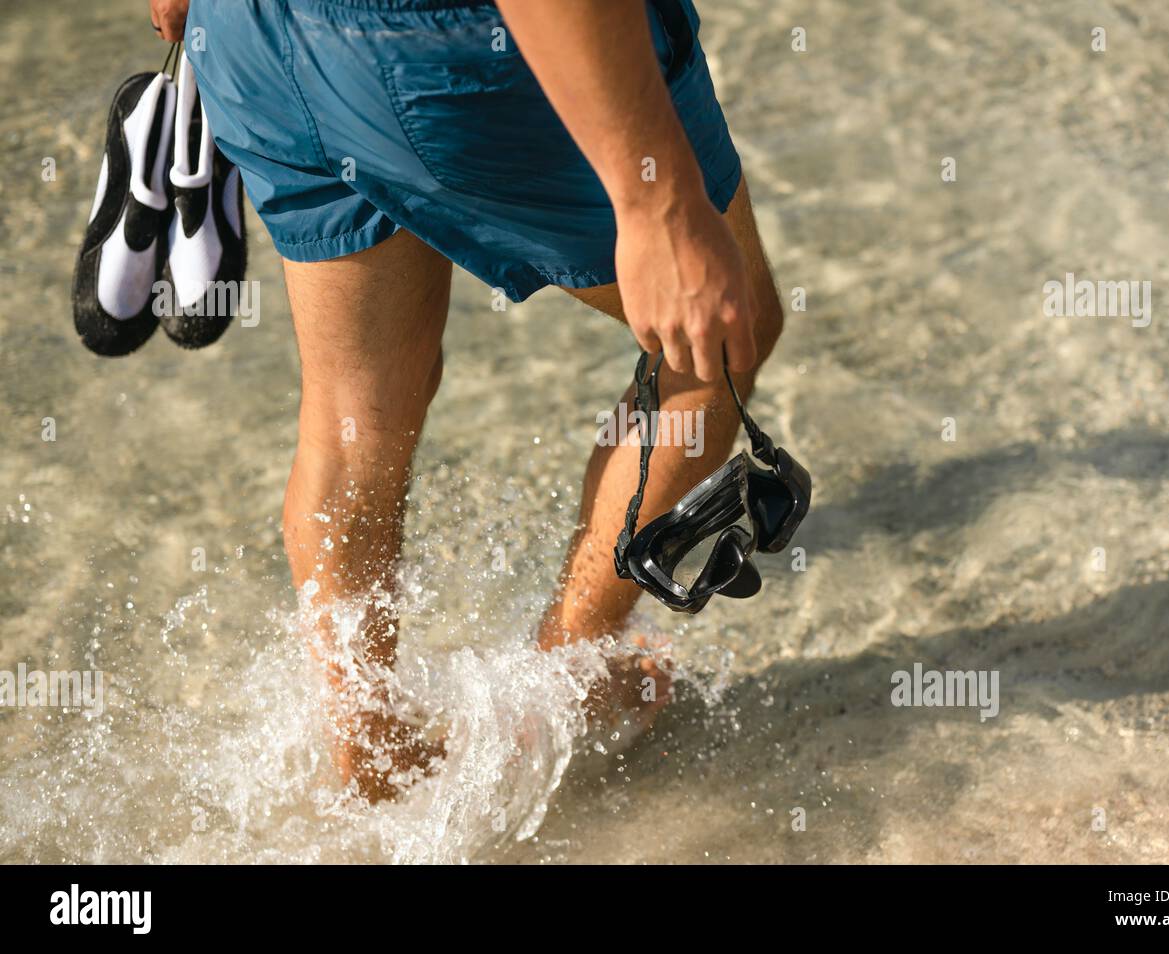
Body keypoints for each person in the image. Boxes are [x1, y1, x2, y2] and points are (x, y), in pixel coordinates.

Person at [149, 0, 785, 801]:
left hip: (252, 39)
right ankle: (560, 691)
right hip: (448, 56)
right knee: (718, 341)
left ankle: (370, 758)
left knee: (355, 414)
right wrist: (657, 204)